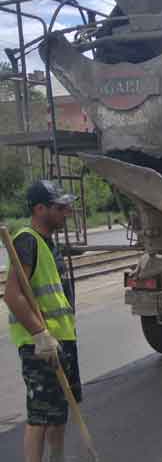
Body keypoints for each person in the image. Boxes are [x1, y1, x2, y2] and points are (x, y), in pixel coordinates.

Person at [3, 180, 81, 462]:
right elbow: (12, 295)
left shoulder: (47, 242)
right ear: (39, 209)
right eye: (60, 207)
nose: (66, 212)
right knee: (40, 417)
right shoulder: (27, 240)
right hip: (41, 345)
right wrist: (40, 334)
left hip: (61, 341)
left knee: (59, 414)